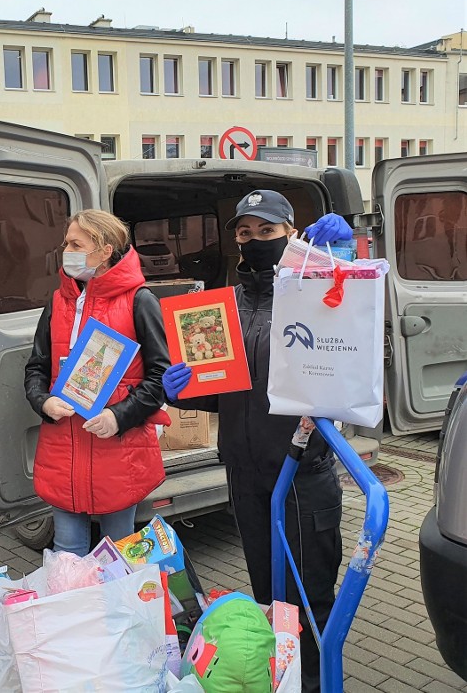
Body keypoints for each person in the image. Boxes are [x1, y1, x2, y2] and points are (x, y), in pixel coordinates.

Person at [162, 189, 353, 693]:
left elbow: (353, 344)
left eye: (267, 231)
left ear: (291, 233)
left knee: (310, 601)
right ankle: (280, 681)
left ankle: (315, 683)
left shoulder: (314, 291)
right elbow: (230, 394)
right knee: (270, 597)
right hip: (245, 477)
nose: (254, 241)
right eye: (245, 233)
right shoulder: (228, 305)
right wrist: (187, 392)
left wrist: (342, 260)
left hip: (300, 479)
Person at [24, 209, 170, 557]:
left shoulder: (139, 300)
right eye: (66, 243)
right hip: (64, 447)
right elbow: (36, 367)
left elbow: (160, 376)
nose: (67, 251)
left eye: (76, 243)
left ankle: (117, 611)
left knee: (117, 552)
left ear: (105, 250)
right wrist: (42, 401)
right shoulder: (58, 302)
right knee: (67, 551)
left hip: (118, 451)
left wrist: (119, 416)